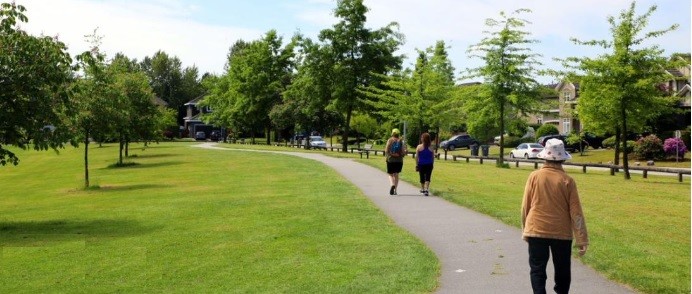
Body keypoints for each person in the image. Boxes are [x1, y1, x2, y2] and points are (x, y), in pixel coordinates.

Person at [521, 138, 589, 294]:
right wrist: (581, 239)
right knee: (563, 270)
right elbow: (576, 212)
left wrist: (525, 230)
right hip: (561, 233)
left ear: (545, 156)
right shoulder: (567, 181)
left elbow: (526, 205)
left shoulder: (534, 176)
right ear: (563, 158)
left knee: (537, 269)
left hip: (536, 229)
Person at [385, 128, 405, 195]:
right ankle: (395, 190)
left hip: (390, 160)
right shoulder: (400, 141)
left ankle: (392, 184)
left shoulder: (390, 140)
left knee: (390, 174)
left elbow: (386, 151)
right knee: (396, 174)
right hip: (399, 161)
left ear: (392, 133)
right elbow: (403, 152)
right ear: (398, 134)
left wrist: (392, 154)